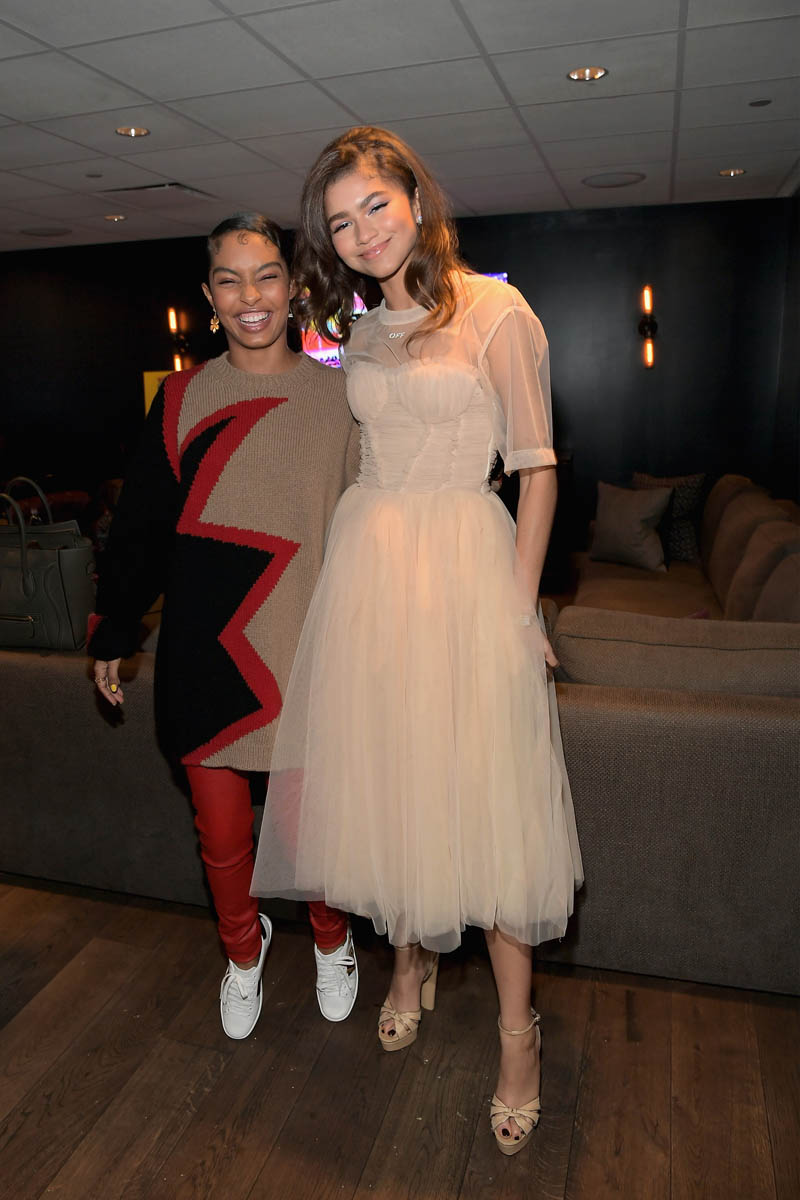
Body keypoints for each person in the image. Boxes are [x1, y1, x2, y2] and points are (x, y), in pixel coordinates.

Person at [251, 129, 583, 1154]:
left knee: (490, 804)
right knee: (390, 782)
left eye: (374, 207)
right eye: (339, 223)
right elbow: (356, 459)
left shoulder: (496, 310)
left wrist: (519, 610)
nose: (361, 234)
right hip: (372, 572)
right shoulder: (359, 334)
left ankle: (518, 1037)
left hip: (466, 572)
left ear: (414, 199)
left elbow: (536, 469)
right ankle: (407, 963)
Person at [89, 212, 361, 1039]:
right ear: (209, 298)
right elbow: (140, 529)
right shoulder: (179, 399)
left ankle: (332, 939)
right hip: (207, 656)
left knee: (312, 833)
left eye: (267, 275)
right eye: (231, 280)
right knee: (222, 833)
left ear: (295, 286)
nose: (251, 296)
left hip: (310, 650)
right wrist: (113, 630)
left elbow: (375, 525)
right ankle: (243, 953)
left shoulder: (343, 397)